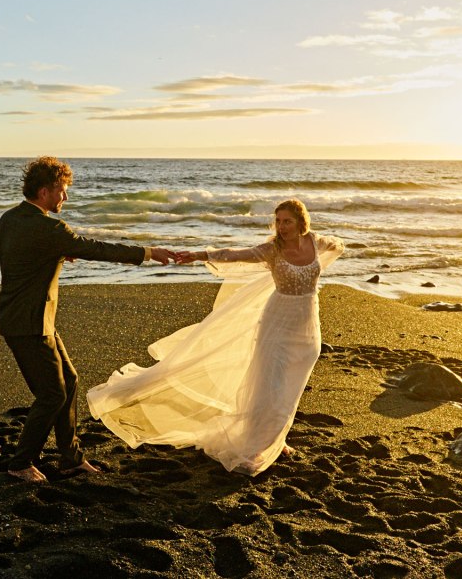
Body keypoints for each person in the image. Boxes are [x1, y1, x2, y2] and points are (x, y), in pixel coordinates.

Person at [87, 199, 344, 476]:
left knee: (291, 387)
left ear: (301, 222)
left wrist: (335, 247)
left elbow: (338, 246)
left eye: (287, 221)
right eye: (278, 221)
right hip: (277, 324)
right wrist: (200, 254)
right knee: (270, 385)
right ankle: (256, 447)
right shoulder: (272, 249)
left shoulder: (316, 242)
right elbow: (233, 254)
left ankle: (276, 439)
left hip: (307, 325)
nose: (281, 227)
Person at [0, 156, 174, 483]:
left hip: (26, 318)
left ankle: (70, 459)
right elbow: (97, 249)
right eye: (62, 191)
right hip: (30, 323)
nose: (65, 198)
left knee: (70, 380)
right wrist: (147, 253)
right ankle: (21, 462)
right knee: (51, 394)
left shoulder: (10, 219)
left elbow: (23, 251)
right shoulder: (50, 228)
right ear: (46, 190)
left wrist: (57, 251)